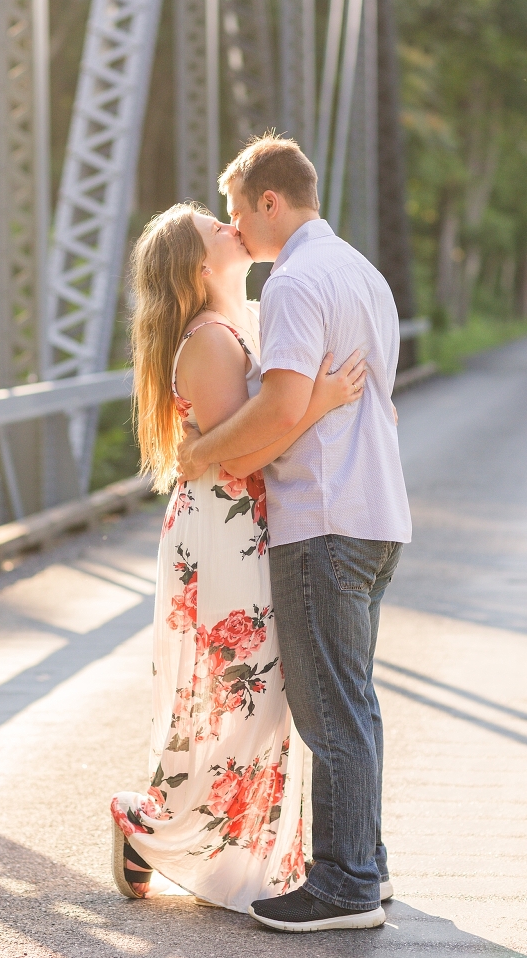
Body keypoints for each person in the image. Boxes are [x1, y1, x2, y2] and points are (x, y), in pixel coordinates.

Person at [177, 135, 412, 933]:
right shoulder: (361, 273)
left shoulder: (294, 282)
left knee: (330, 711)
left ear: (270, 201)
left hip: (323, 515)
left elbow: (280, 409)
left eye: (240, 210)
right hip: (379, 511)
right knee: (356, 701)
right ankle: (365, 866)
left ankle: (343, 882)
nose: (236, 227)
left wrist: (202, 450)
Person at [110, 201, 366, 914]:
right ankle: (154, 830)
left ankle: (190, 837)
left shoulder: (230, 326)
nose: (233, 227)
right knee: (243, 694)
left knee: (243, 696)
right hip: (228, 533)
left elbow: (226, 447)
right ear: (200, 266)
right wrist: (318, 402)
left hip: (235, 527)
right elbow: (244, 453)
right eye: (215, 229)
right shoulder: (214, 339)